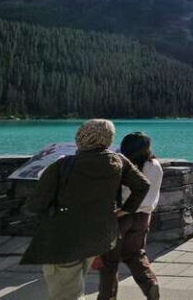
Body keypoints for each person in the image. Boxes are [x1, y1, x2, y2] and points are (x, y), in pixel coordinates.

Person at [21, 119, 150, 300]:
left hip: (64, 237)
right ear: (108, 138)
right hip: (99, 235)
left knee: (65, 292)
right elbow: (143, 185)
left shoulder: (62, 165)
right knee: (75, 284)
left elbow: (35, 205)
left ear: (81, 135)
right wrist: (125, 210)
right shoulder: (119, 161)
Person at [99, 132, 162, 300]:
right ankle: (150, 284)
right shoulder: (155, 165)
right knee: (135, 254)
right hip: (143, 216)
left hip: (122, 215)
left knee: (109, 262)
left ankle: (107, 297)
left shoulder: (124, 165)